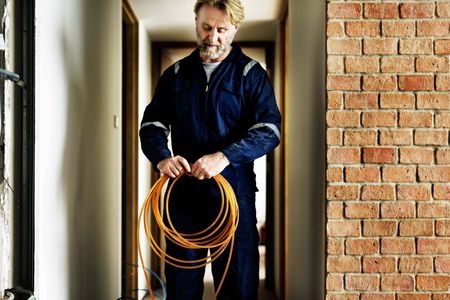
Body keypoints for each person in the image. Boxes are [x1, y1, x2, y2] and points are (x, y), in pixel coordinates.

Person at [139, 0, 281, 299]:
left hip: (234, 193)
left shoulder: (251, 74)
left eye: (221, 30)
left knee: (238, 284)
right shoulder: (175, 75)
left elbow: (269, 131)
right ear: (196, 22)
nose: (212, 37)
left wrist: (225, 156)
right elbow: (151, 125)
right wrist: (163, 158)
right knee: (180, 285)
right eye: (206, 27)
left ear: (235, 29)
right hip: (183, 194)